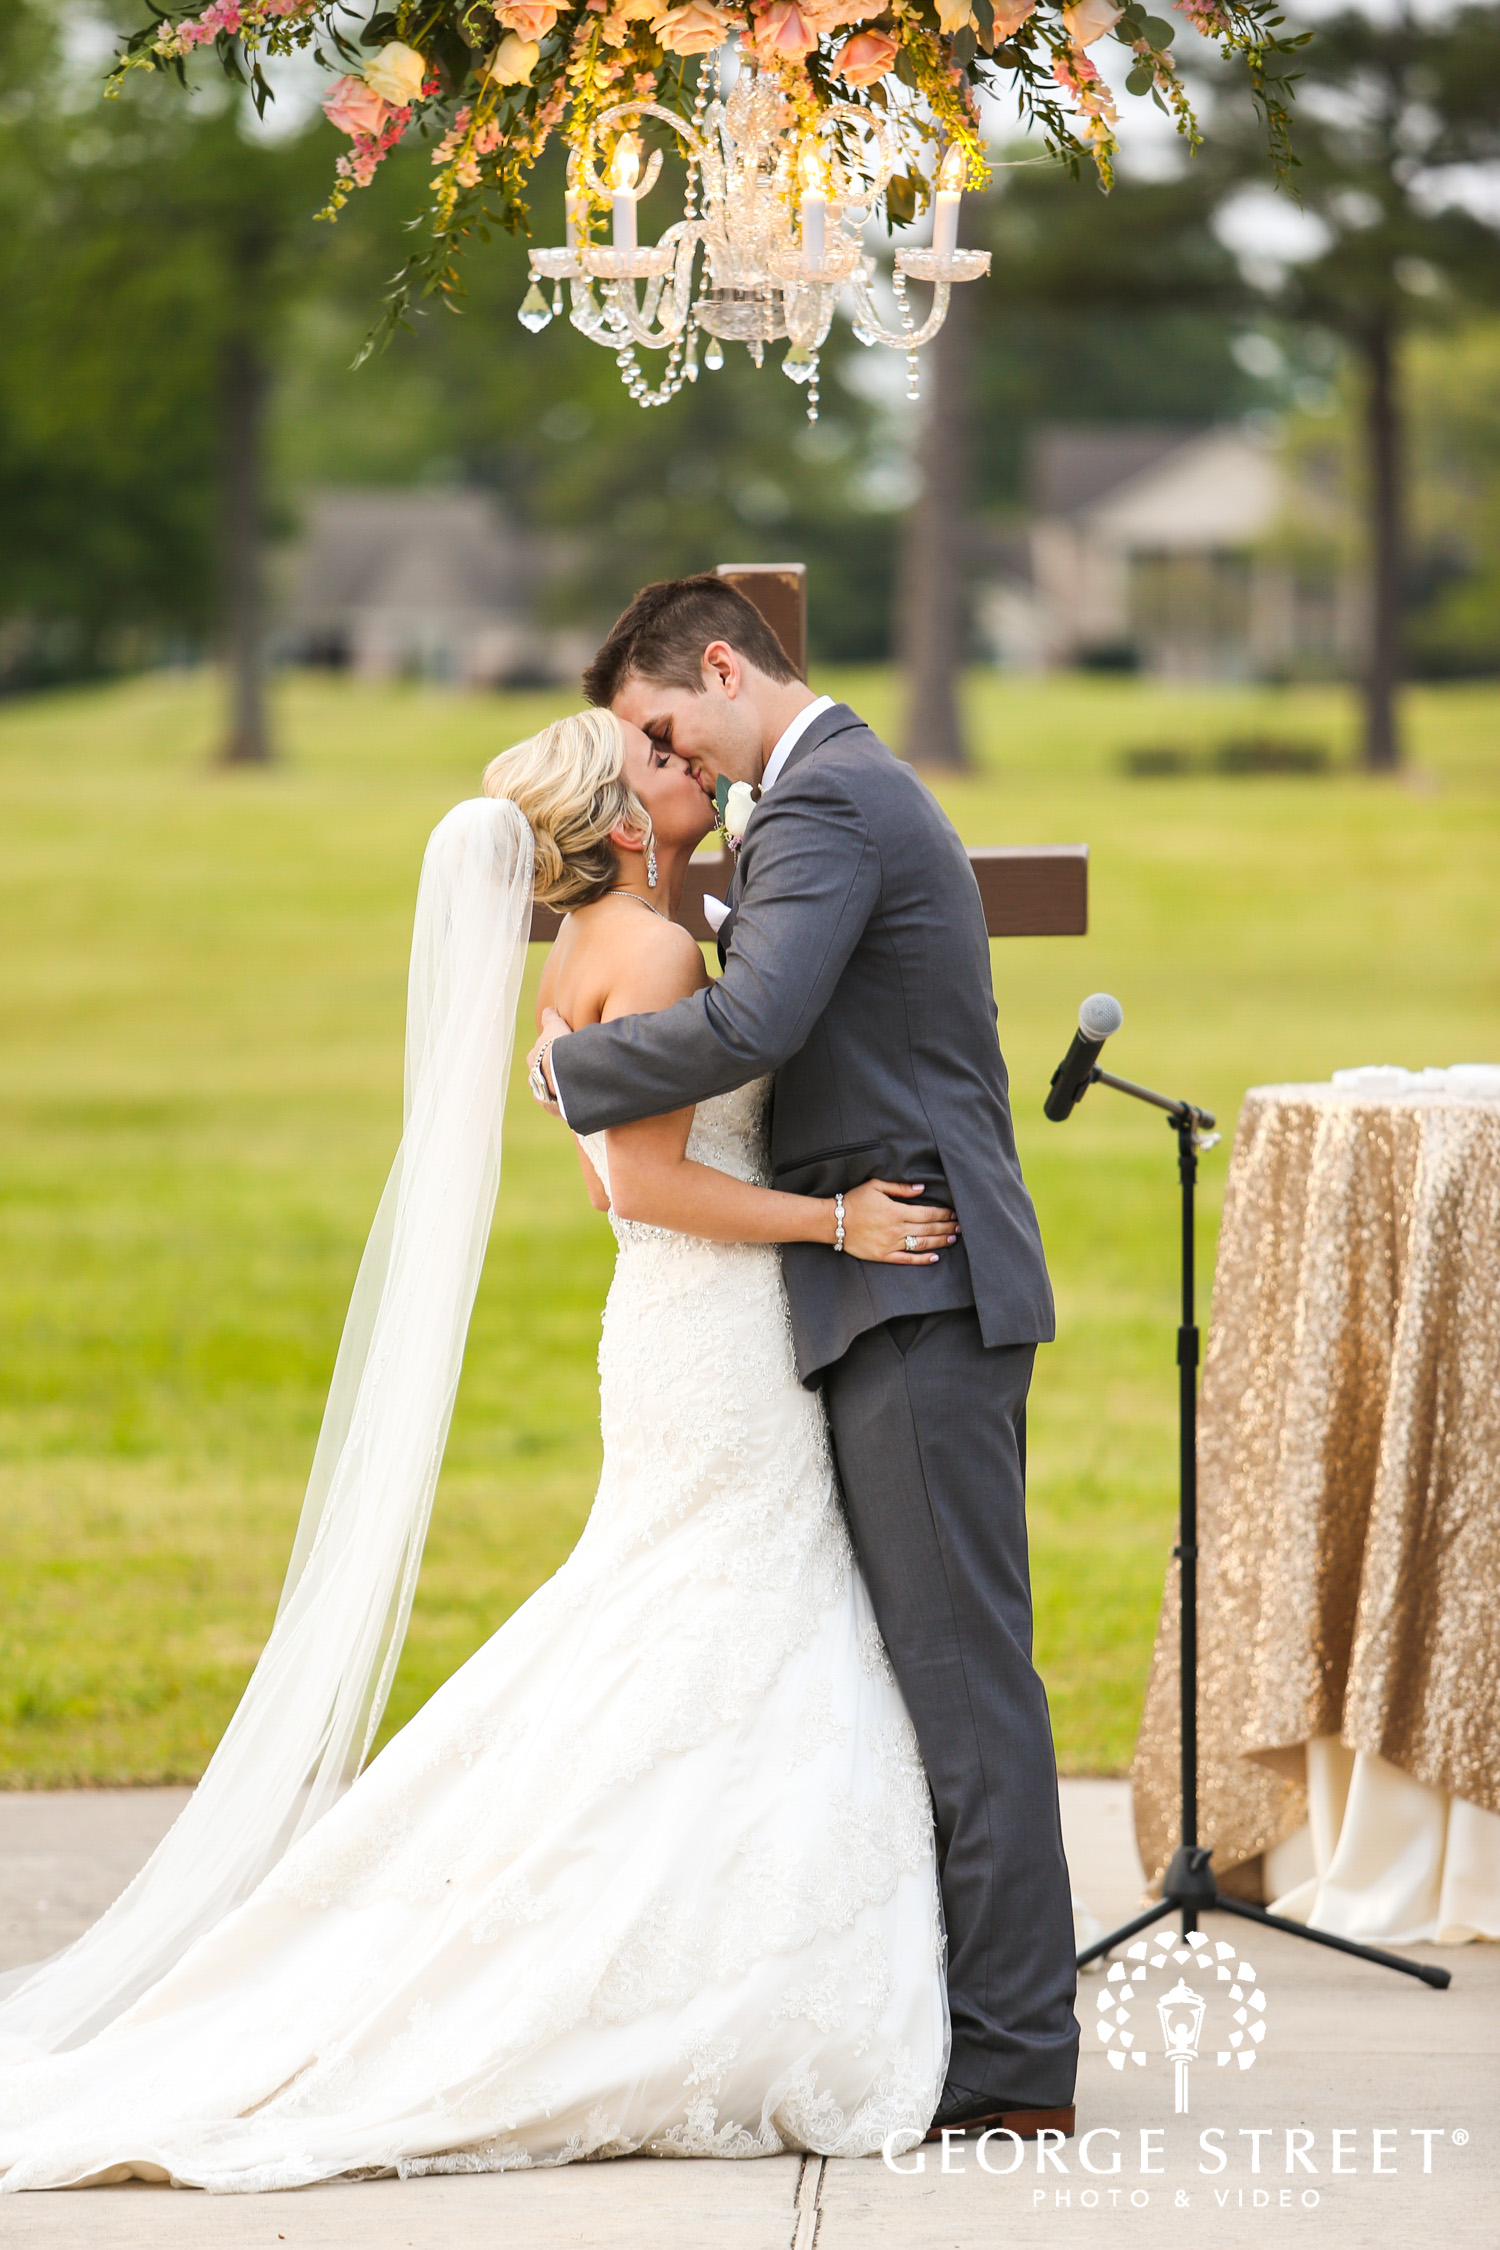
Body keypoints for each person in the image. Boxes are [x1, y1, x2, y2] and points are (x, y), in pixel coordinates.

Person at [0, 707, 954, 2195]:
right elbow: (643, 1187)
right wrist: (843, 1222)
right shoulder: (644, 952)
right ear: (620, 818)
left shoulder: (579, 962)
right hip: (711, 1330)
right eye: (656, 759)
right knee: (714, 1617)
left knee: (680, 1622)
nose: (685, 763)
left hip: (672, 1329)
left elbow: (611, 1186)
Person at [528, 576, 1079, 2139]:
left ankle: (1015, 2062)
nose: (667, 764)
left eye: (660, 726)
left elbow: (758, 1014)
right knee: (936, 1674)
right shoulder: (825, 799)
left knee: (964, 1680)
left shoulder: (830, 801)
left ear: (717, 666)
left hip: (918, 1283)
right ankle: (981, 2022)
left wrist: (580, 1066)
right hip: (879, 1283)